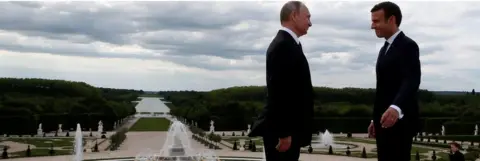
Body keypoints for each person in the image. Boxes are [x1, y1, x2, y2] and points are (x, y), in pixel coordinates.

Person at [248, 1, 313, 161]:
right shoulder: (283, 45)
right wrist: (284, 133)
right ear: (294, 16)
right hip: (282, 133)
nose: (310, 23)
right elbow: (279, 92)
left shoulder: (290, 43)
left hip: (287, 131)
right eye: (307, 17)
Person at [367, 1, 422, 161]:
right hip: (384, 121)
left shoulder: (408, 45)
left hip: (400, 121)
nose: (372, 26)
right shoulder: (384, 48)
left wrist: (396, 108)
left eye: (376, 21)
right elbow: (384, 88)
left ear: (391, 20)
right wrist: (375, 118)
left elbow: (412, 80)